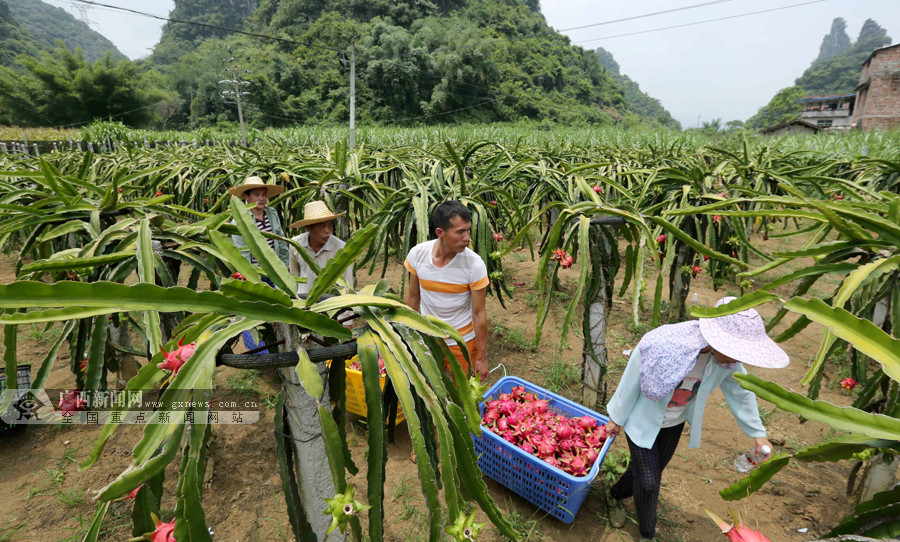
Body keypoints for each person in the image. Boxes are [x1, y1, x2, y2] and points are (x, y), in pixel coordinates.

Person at [605, 296, 789, 541]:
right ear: (717, 340)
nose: (739, 359)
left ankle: (614, 495)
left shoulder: (728, 362)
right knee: (650, 484)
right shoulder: (663, 343)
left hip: (674, 422)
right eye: (736, 351)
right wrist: (616, 418)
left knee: (651, 471)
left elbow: (741, 393)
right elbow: (631, 380)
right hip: (642, 419)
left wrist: (758, 433)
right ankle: (647, 534)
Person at [404, 201, 489, 379]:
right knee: (428, 391)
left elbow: (479, 313)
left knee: (465, 395)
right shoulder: (418, 254)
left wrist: (482, 357)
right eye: (460, 232)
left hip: (462, 341)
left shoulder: (474, 264)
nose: (467, 237)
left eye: (468, 230)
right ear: (440, 233)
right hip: (428, 338)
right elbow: (413, 297)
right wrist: (409, 336)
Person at [288, 200, 354, 296]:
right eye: (321, 227)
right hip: (302, 301)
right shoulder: (296, 244)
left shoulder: (341, 249)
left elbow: (346, 286)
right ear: (308, 227)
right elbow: (294, 276)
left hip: (330, 303)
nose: (327, 231)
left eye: (330, 225)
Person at [229, 176, 290, 268]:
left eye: (264, 194)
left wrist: (286, 263)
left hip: (277, 269)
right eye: (256, 195)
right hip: (257, 272)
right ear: (246, 196)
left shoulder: (272, 213)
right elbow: (242, 251)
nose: (261, 198)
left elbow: (280, 240)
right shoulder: (239, 221)